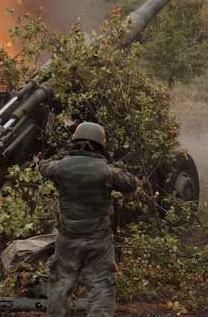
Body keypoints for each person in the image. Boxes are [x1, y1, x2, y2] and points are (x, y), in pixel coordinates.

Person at [38, 122, 139, 317]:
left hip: (67, 238)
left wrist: (62, 155)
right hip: (98, 239)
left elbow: (43, 167)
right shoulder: (106, 170)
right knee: (101, 285)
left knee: (60, 282)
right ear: (100, 143)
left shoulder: (60, 167)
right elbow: (130, 184)